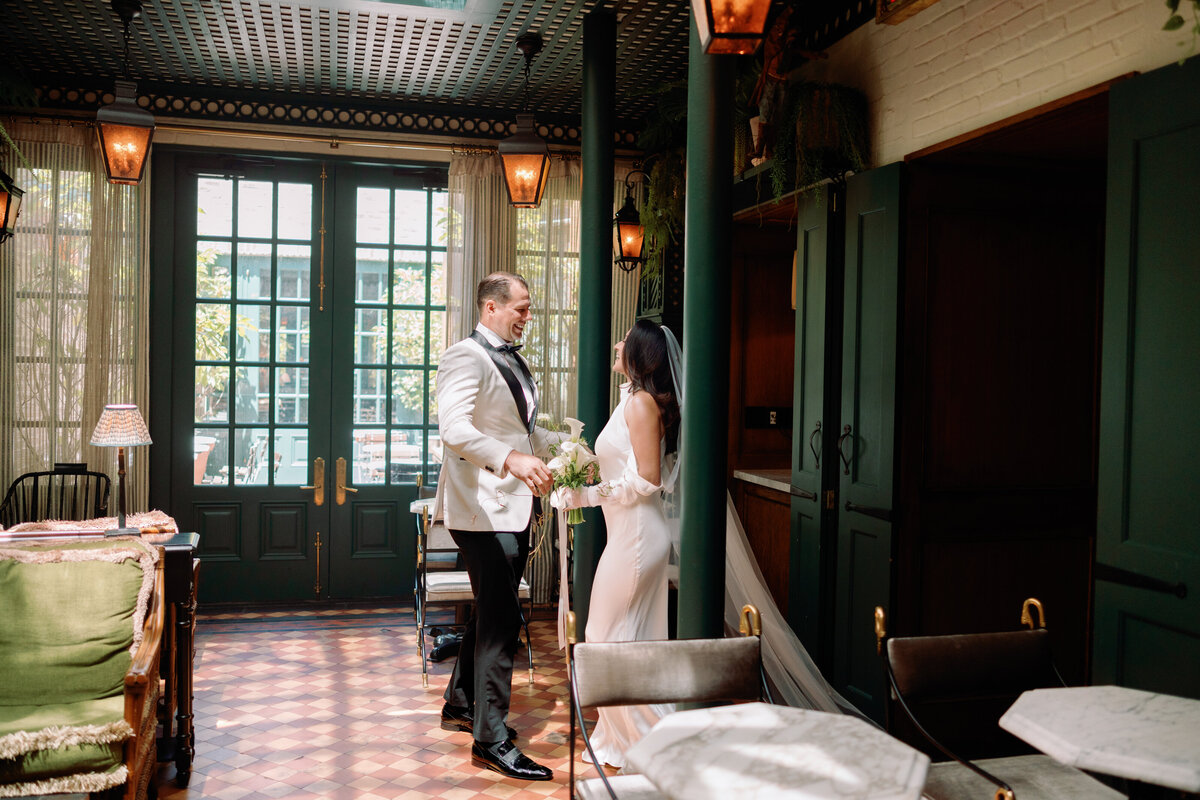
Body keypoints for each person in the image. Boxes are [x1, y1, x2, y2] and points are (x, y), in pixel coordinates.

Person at [433, 271, 560, 781]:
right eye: (521, 308)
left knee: (493, 610)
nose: (528, 316)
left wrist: (565, 448)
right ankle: (490, 739)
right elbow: (454, 429)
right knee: (503, 619)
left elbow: (516, 428)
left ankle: (460, 703)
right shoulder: (464, 356)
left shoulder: (511, 359)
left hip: (511, 507)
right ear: (491, 307)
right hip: (481, 511)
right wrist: (510, 459)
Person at [560, 319, 683, 768]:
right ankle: (623, 739)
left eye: (625, 340)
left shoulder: (641, 403)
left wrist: (586, 495)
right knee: (628, 640)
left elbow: (647, 479)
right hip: (628, 533)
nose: (617, 344)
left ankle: (646, 745)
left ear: (640, 353)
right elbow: (624, 467)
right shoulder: (631, 399)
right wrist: (582, 474)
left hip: (637, 537)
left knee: (604, 637)